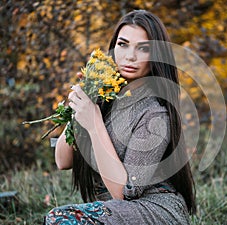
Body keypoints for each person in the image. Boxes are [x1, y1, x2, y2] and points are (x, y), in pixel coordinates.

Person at [44, 9, 196, 224]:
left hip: (155, 211)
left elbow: (124, 193)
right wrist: (82, 104)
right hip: (117, 213)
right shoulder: (107, 97)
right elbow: (63, 160)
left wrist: (94, 123)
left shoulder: (156, 114)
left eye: (143, 48)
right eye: (122, 44)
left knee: (61, 218)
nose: (130, 56)